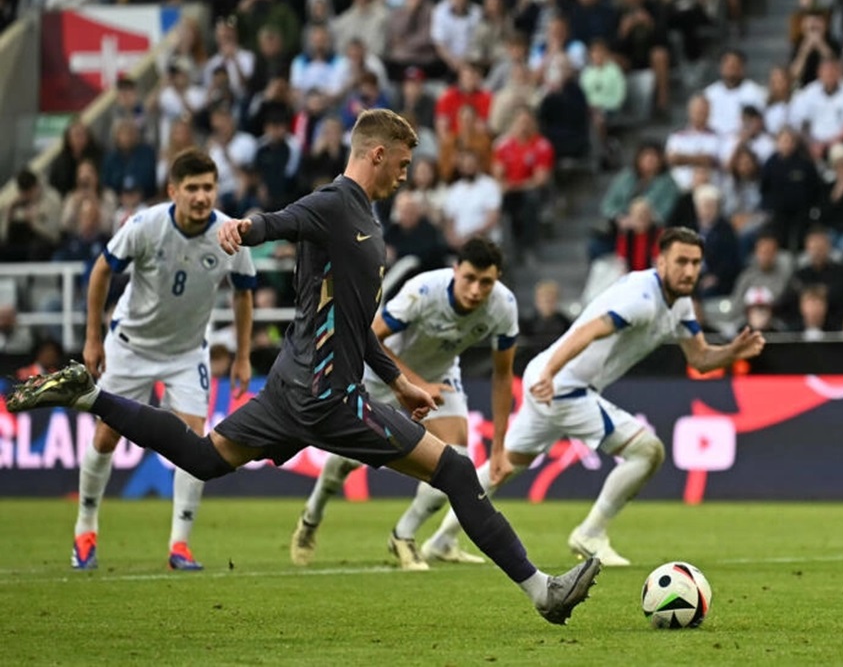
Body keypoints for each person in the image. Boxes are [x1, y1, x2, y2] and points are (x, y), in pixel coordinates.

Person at [8, 110, 599, 625]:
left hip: (293, 384)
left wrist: (399, 381)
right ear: (377, 153)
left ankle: (88, 396)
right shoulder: (336, 203)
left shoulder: (364, 217)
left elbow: (356, 325)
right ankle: (542, 591)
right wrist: (248, 228)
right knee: (456, 472)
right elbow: (283, 220)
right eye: (402, 160)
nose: (406, 171)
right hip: (328, 397)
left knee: (204, 457)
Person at [419, 228, 766, 566]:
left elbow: (700, 359)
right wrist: (552, 374)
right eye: (681, 261)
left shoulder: (681, 304)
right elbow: (586, 331)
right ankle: (590, 533)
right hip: (563, 387)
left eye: (695, 263)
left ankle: (441, 540)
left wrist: (732, 352)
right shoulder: (641, 299)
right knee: (647, 451)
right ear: (660, 262)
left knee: (502, 467)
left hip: (551, 381)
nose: (689, 270)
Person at [71, 148, 257, 571]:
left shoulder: (229, 233)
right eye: (191, 188)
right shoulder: (145, 226)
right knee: (107, 437)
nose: (201, 196)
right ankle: (85, 529)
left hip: (187, 352)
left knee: (194, 444)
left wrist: (244, 356)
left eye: (208, 187)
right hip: (130, 347)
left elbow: (244, 292)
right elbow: (102, 270)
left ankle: (180, 545)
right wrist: (93, 338)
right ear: (173, 191)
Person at [291, 238, 519, 570]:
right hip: (379, 372)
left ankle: (403, 535)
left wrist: (498, 448)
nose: (475, 290)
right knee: (345, 463)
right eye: (469, 278)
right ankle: (311, 517)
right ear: (455, 270)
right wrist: (414, 384)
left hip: (439, 376)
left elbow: (503, 375)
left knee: (457, 463)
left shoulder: (503, 306)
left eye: (486, 282)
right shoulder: (424, 291)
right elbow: (372, 338)